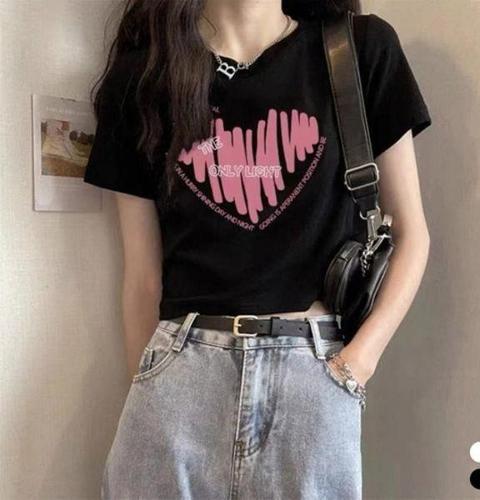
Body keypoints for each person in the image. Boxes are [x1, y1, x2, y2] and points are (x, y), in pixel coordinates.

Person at [84, 0, 432, 498]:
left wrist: (357, 364)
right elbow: (142, 276)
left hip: (313, 376)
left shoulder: (358, 49)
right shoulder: (144, 74)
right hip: (181, 377)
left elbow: (412, 234)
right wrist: (152, 379)